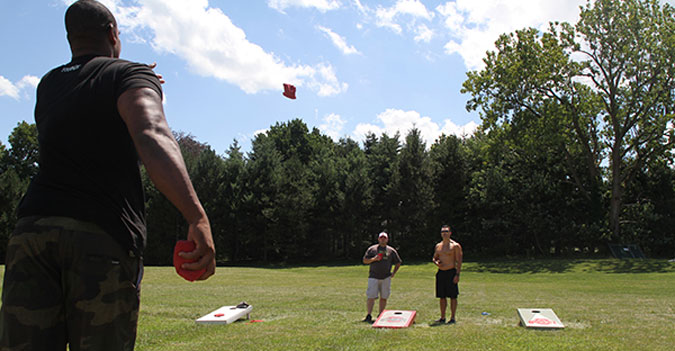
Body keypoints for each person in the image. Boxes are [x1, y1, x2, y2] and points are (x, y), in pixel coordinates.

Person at [0, 1, 216, 350]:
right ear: (113, 33)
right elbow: (151, 134)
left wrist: (130, 77)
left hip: (32, 235)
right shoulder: (127, 76)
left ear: (71, 39)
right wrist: (196, 216)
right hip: (99, 234)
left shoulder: (49, 85)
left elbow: (89, 109)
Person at [362, 232, 401, 323]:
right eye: (381, 238)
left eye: (384, 238)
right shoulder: (372, 249)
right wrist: (374, 259)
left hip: (386, 277)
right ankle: (369, 315)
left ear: (387, 239)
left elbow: (398, 262)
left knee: (384, 296)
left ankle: (381, 314)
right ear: (378, 239)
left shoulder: (391, 250)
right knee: (371, 296)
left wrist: (394, 273)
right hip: (373, 276)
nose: (383, 239)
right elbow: (365, 260)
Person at [432, 224, 463, 324]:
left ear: (450, 233)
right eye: (442, 232)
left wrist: (457, 275)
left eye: (446, 231)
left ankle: (453, 317)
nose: (444, 233)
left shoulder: (455, 246)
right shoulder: (438, 246)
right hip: (441, 272)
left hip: (451, 272)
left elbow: (459, 261)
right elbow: (434, 257)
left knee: (453, 296)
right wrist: (436, 262)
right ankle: (442, 317)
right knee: (442, 296)